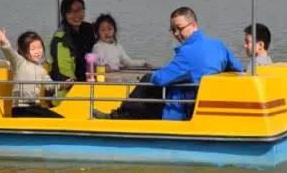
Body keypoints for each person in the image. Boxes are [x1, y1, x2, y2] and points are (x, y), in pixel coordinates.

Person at [94, 7, 243, 121]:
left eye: (180, 28)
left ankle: (118, 116)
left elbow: (161, 79)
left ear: (194, 25)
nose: (177, 34)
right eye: (173, 30)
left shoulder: (187, 53)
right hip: (203, 100)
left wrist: (153, 75)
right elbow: (238, 68)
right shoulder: (218, 45)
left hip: (183, 107)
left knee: (148, 80)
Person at [0, 27, 65, 118]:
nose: (37, 52)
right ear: (23, 51)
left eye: (40, 48)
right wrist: (3, 41)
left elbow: (50, 85)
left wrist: (64, 85)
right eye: (33, 49)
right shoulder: (19, 62)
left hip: (34, 107)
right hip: (20, 108)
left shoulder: (42, 70)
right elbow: (9, 52)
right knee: (56, 119)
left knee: (59, 119)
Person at [49, 0, 96, 82]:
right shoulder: (61, 38)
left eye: (79, 10)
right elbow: (64, 74)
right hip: (68, 88)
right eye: (71, 11)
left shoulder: (88, 29)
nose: (76, 15)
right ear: (64, 14)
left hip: (89, 80)